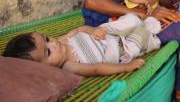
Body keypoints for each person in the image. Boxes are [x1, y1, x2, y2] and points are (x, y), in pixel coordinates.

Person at [2, 13, 163, 76]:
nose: (54, 44)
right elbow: (97, 68)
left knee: (131, 18)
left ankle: (141, 22)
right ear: (44, 69)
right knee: (140, 39)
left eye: (47, 39)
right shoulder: (69, 66)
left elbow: (80, 29)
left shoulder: (62, 40)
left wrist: (92, 30)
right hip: (120, 49)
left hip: (106, 33)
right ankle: (150, 31)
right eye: (48, 53)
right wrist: (126, 67)